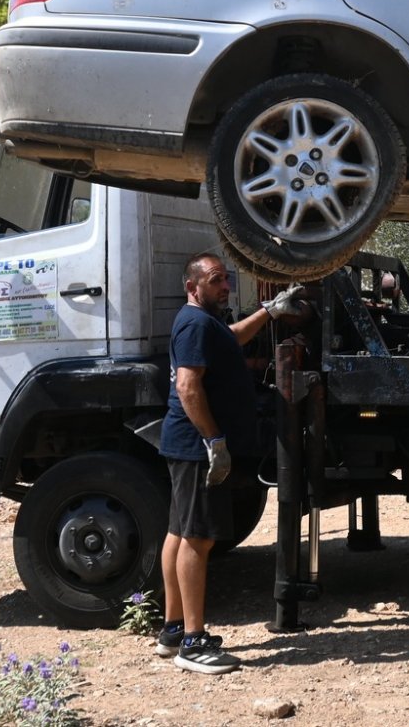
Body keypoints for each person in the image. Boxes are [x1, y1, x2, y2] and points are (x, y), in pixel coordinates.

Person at [158, 252, 306, 674]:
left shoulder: (209, 323)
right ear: (193, 286)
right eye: (216, 280)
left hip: (187, 446)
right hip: (195, 448)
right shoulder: (193, 323)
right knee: (198, 539)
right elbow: (188, 387)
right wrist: (215, 441)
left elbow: (234, 338)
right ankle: (193, 641)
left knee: (178, 532)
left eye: (226, 279)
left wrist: (269, 310)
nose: (225, 287)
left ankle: (172, 631)